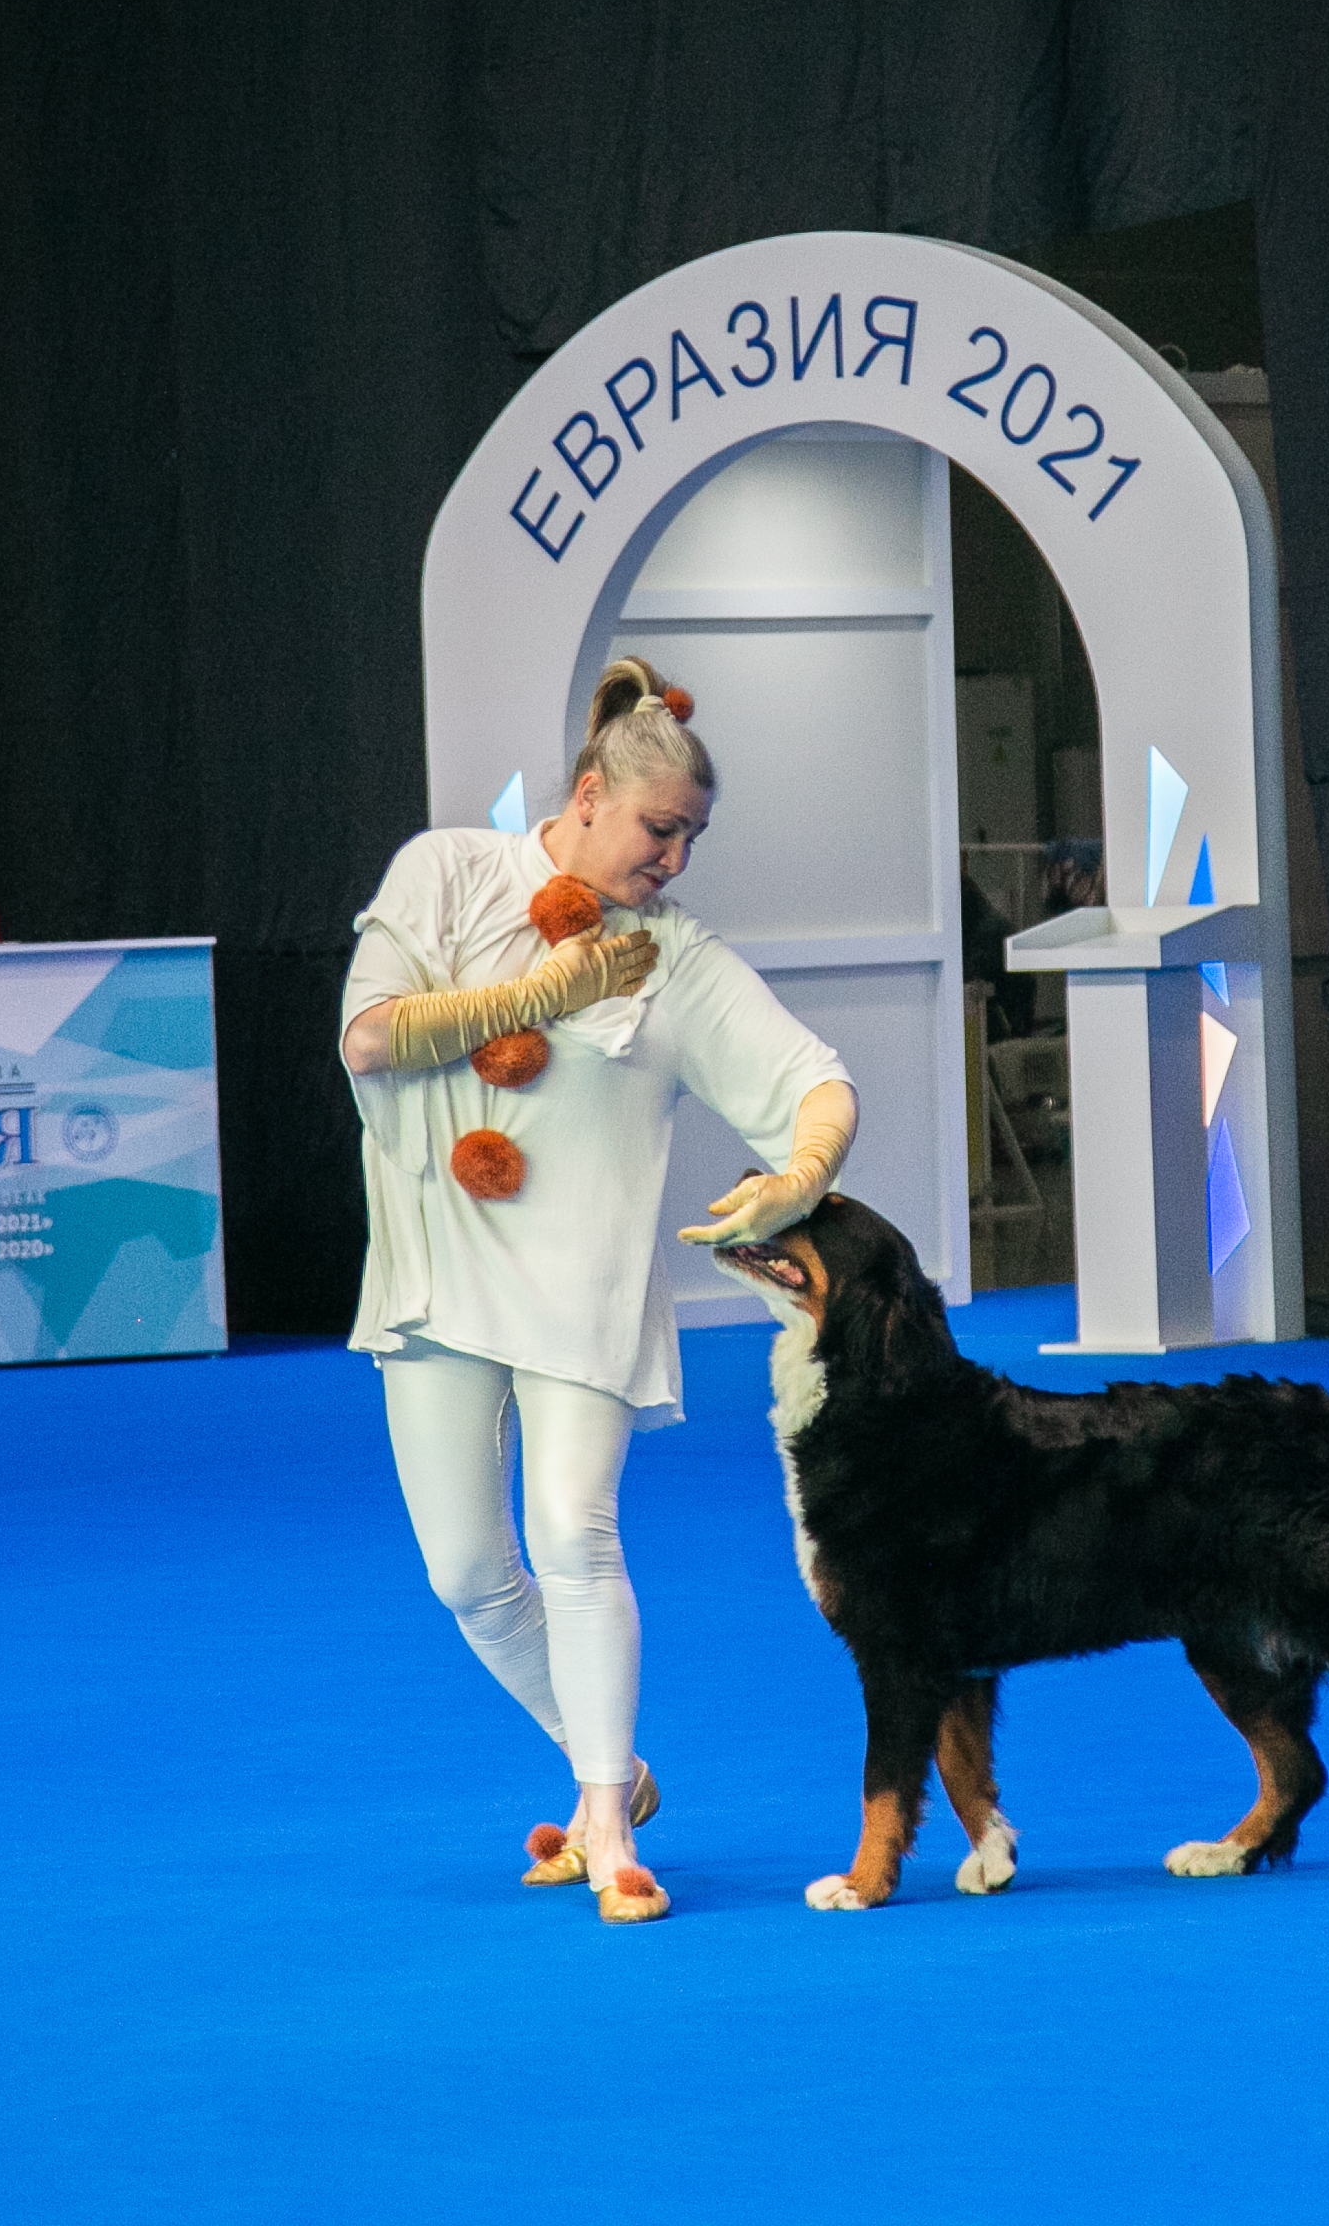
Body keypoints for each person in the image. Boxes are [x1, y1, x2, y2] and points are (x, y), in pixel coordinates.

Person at [338, 657, 859, 1925]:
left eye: (692, 837)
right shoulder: (448, 870)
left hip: (582, 1298)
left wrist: (801, 1170)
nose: (675, 859)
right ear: (587, 795)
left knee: (574, 1531)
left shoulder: (674, 957)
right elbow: (366, 1035)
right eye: (658, 829)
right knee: (467, 1572)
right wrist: (548, 992)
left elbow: (816, 1077)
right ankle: (609, 1768)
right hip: (432, 1277)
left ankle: (613, 1831)